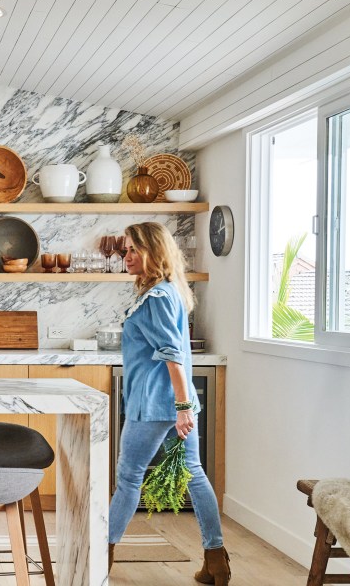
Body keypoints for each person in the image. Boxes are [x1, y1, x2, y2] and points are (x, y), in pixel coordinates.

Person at [109, 222, 230, 585]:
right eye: (125, 250)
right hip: (171, 403)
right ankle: (215, 561)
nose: (126, 257)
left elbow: (173, 355)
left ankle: (102, 556)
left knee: (129, 479)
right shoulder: (164, 292)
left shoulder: (158, 297)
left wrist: (181, 408)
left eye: (133, 250)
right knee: (193, 473)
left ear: (153, 252)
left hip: (155, 406)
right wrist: (184, 405)